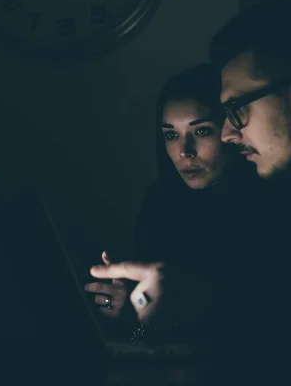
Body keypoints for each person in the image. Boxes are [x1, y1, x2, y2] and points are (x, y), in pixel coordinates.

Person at [94, 0, 291, 384]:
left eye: (236, 110)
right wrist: (138, 319)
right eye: (169, 135)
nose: (228, 133)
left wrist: (200, 302)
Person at [84, 64, 260, 342]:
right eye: (171, 134)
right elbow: (148, 334)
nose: (184, 151)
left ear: (229, 129)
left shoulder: (273, 203)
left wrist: (191, 301)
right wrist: (131, 312)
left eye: (202, 131)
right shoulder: (161, 202)